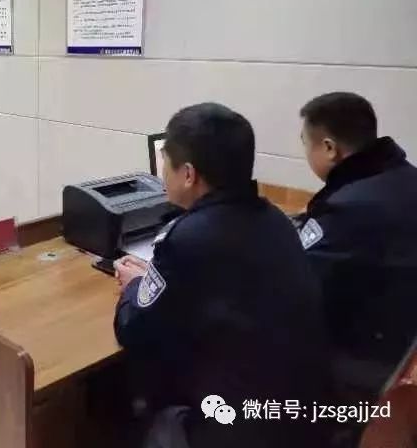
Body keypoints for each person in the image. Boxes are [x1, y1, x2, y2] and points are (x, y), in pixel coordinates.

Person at [113, 103, 329, 448]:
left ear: (188, 174)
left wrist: (137, 285)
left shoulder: (186, 238)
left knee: (121, 402)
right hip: (300, 419)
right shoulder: (276, 220)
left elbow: (132, 328)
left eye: (165, 162)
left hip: (234, 429)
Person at [296, 92, 417, 395]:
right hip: (404, 344)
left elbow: (301, 288)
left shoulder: (346, 209)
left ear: (329, 148)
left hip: (369, 358)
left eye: (305, 143)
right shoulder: (405, 178)